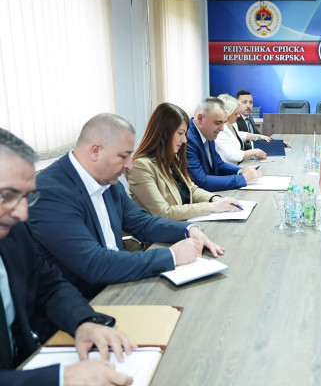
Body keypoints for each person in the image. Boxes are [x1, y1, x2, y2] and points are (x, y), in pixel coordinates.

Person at [28, 113, 225, 299]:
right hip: (85, 301)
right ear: (96, 151)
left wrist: (188, 229)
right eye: (124, 156)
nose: (129, 165)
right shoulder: (50, 192)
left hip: (119, 283)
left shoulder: (107, 179)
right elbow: (93, 264)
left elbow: (141, 222)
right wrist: (172, 256)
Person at [0, 128, 136, 385]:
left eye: (26, 197)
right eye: (6, 196)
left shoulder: (14, 231)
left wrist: (84, 321)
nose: (22, 213)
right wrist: (60, 378)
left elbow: (49, 286)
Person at [126, 102, 241, 220]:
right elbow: (163, 212)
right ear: (163, 133)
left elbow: (192, 190)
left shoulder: (172, 159)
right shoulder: (140, 166)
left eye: (185, 134)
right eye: (180, 133)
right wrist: (210, 207)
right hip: (164, 231)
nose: (185, 140)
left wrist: (216, 199)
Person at [187, 97, 261, 192]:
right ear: (200, 119)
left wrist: (242, 171)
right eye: (218, 123)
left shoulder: (207, 132)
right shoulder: (187, 139)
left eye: (224, 123)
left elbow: (219, 164)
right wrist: (243, 179)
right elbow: (201, 181)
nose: (222, 128)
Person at [215, 94, 270, 166]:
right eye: (235, 114)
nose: (238, 116)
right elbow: (233, 155)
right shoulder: (220, 132)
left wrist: (258, 136)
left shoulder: (232, 124)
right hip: (230, 169)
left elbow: (238, 135)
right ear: (226, 114)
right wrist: (253, 152)